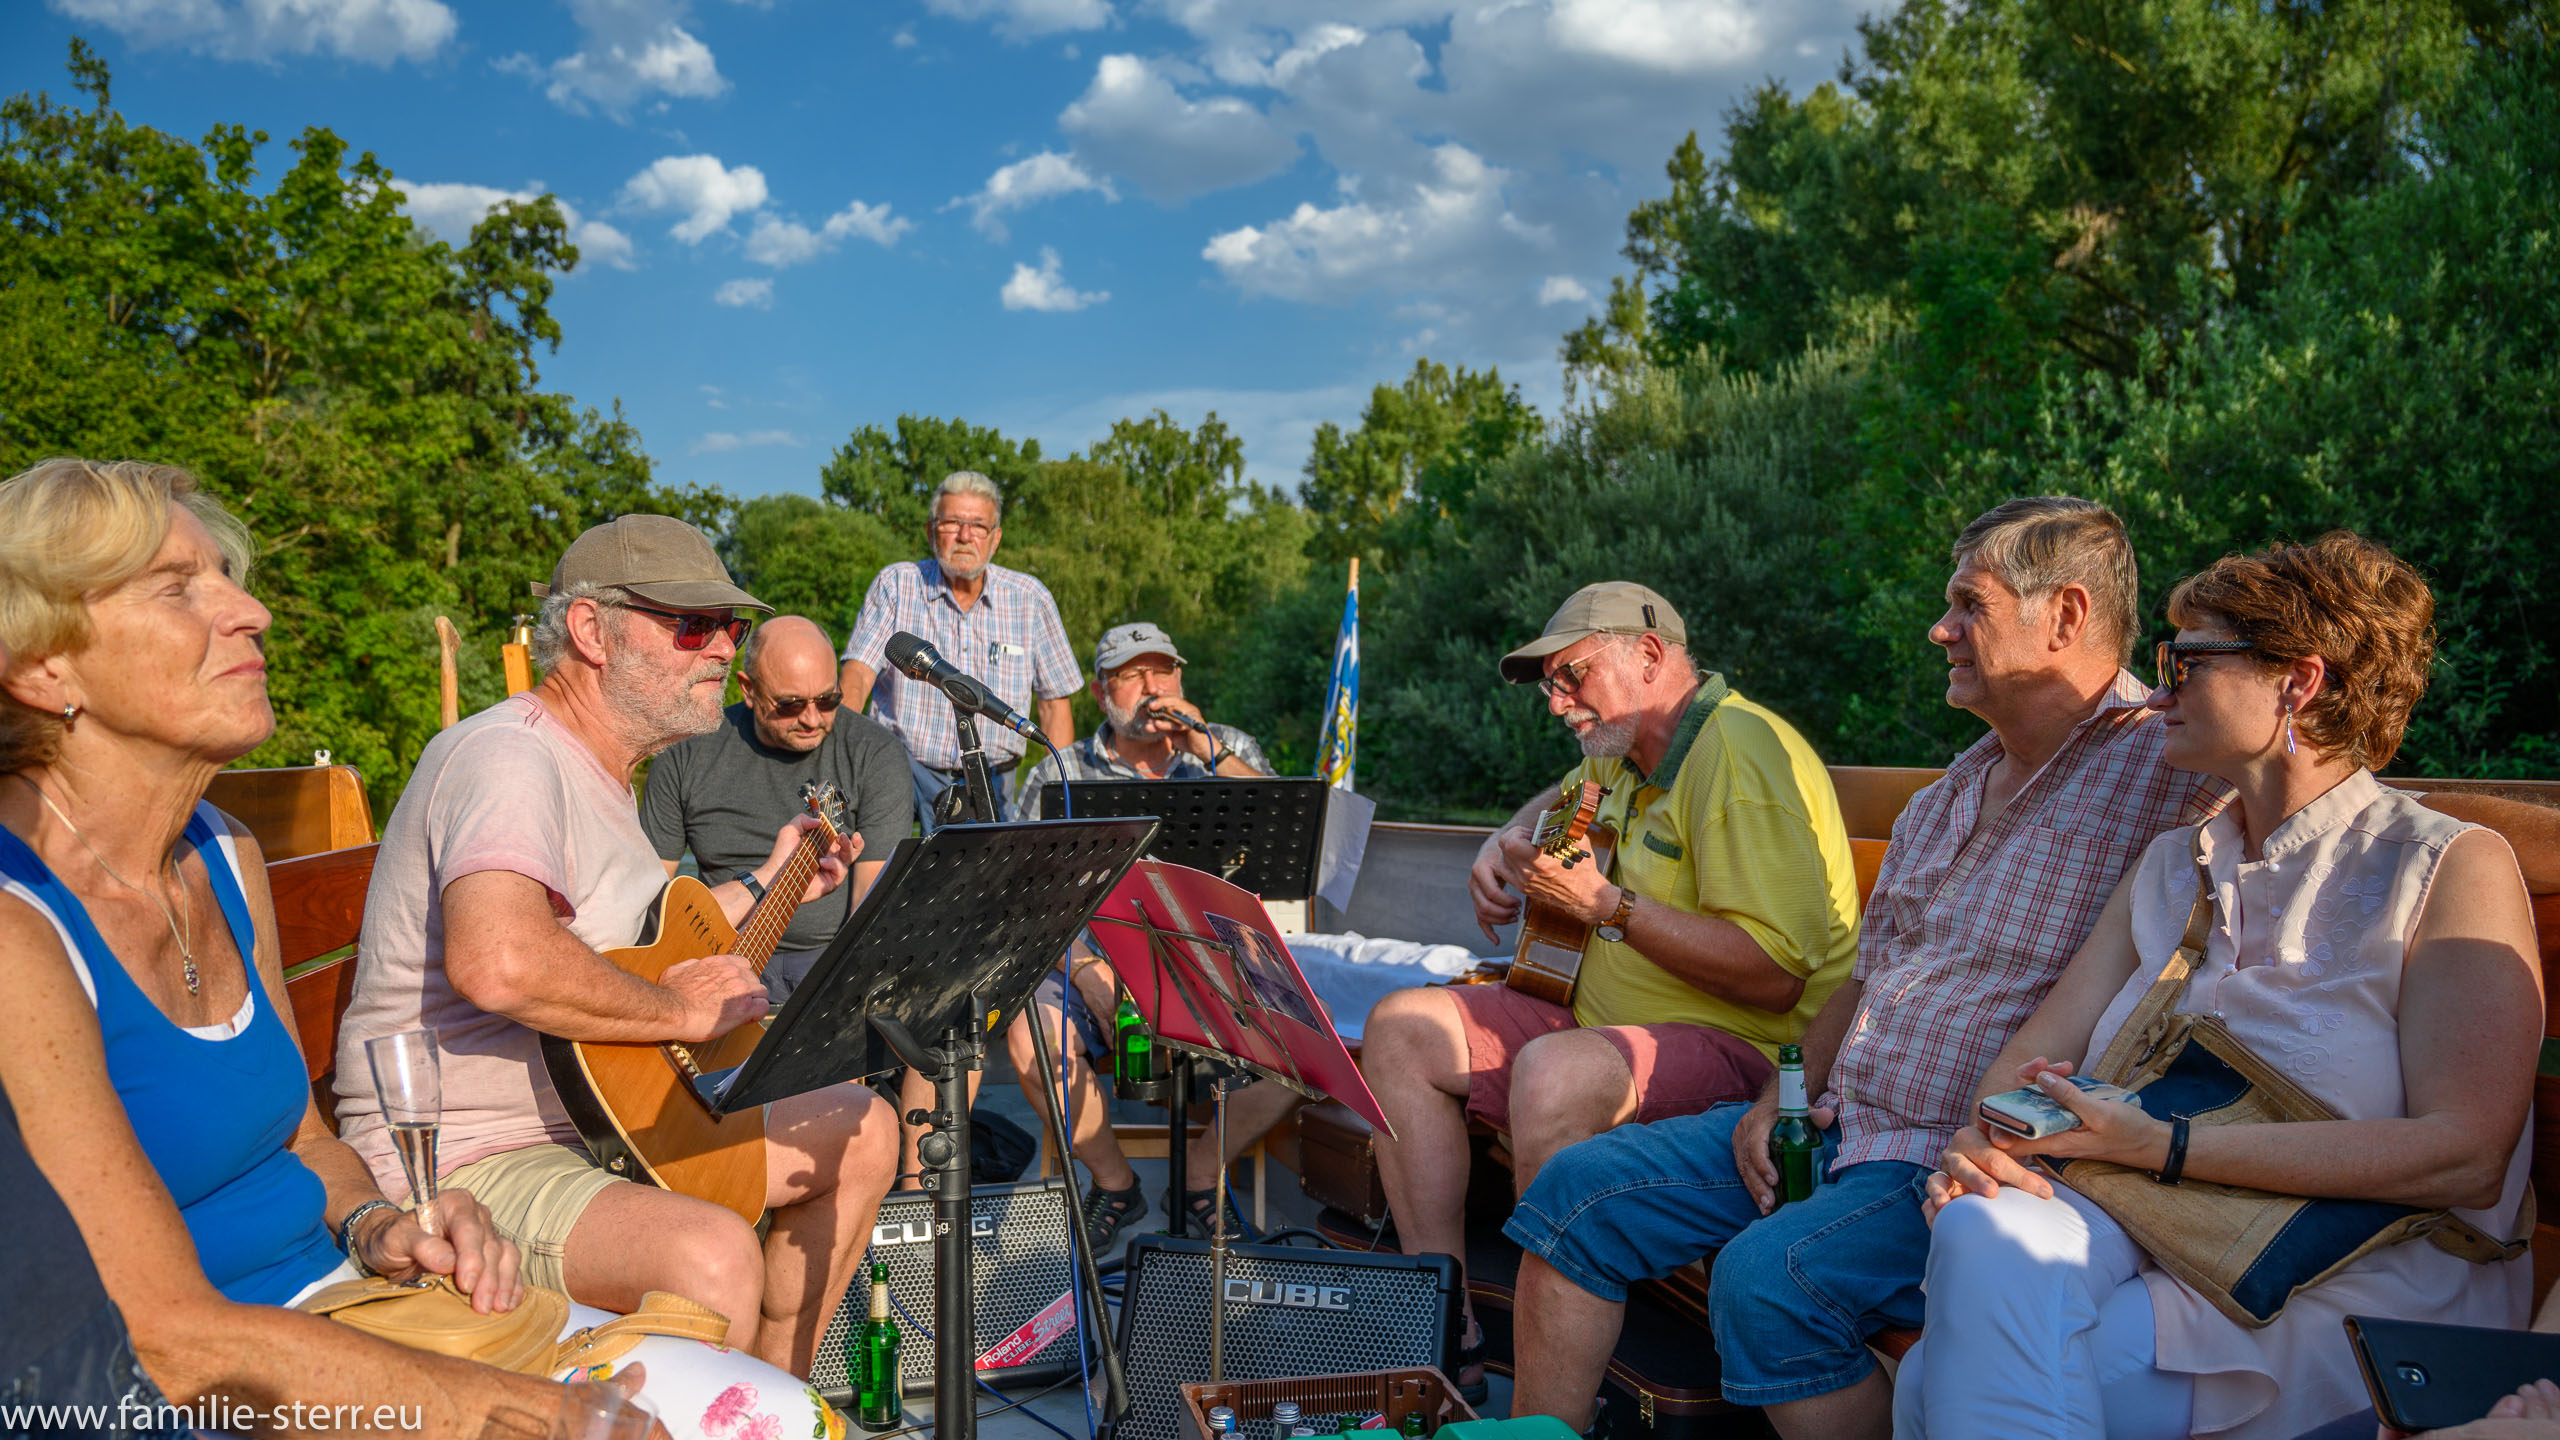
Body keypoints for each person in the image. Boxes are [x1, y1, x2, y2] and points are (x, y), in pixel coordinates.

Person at [1503, 500, 2560, 1440]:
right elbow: (1961, 1008)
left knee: (1834, 1307)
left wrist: (2112, 1144)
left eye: (2189, 660)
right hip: (2000, 1160)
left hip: (2259, 1234)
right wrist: (1828, 1096)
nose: (1937, 629)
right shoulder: (2141, 840)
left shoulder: (2167, 771)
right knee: (1585, 1195)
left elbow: (2355, 818)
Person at [0, 459, 675, 1437]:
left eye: (228, 576)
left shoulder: (222, 853)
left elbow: (307, 1138)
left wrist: (381, 1224)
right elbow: (162, 1342)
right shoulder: (20, 930)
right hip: (194, 1391)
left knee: (758, 1403)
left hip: (346, 1310)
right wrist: (526, 1411)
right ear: (40, 664)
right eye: (180, 587)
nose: (253, 611)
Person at [1898, 533, 2537, 1440]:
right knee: (1978, 1230)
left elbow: (2466, 1154)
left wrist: (2160, 1145)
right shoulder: (2174, 865)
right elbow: (2030, 1056)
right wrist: (1986, 1140)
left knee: (1930, 1382)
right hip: (2165, 1227)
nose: (2157, 692)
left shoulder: (2441, 868)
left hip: (2352, 1269)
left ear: (2297, 682)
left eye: (2185, 661)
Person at [333, 512, 900, 1378]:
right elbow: (503, 961)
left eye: (731, 628)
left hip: (596, 1121)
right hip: (468, 1156)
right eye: (691, 625)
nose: (721, 650)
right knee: (709, 1255)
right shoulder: (509, 758)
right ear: (592, 632)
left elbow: (645, 951)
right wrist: (680, 1008)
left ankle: (773, 1402)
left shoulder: (598, 775)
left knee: (862, 1125)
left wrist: (773, 879)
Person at [1363, 581, 1863, 1398]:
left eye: (1573, 677)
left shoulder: (1737, 754)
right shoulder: (1629, 756)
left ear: (1652, 656)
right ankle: (1442, 1315)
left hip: (1754, 1055)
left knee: (1555, 1073)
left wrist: (1607, 906)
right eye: (1550, 686)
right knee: (1399, 1027)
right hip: (1602, 1021)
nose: (1559, 704)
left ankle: (1562, 1373)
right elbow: (1560, 796)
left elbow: (1778, 979)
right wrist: (1507, 839)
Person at [1001, 621, 1296, 1245]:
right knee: (1032, 1040)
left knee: (1305, 1039)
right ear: (1104, 691)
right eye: (1134, 676)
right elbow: (1027, 901)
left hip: (1208, 953)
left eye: (1163, 671)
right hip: (1091, 957)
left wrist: (1205, 746)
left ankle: (1198, 1174)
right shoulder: (1061, 771)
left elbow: (1282, 821)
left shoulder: (1223, 747)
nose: (1152, 687)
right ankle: (1116, 1186)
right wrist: (1086, 970)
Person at [642, 614, 912, 1006]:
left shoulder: (875, 752)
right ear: (748, 689)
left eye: (828, 700)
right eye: (789, 704)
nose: (811, 718)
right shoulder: (685, 750)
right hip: (716, 950)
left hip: (827, 958)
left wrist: (844, 1002)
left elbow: (869, 906)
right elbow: (654, 903)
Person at [838, 471, 1080, 826]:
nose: (965, 536)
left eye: (978, 526)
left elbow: (1054, 706)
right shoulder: (897, 584)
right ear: (930, 531)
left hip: (996, 782)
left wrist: (1060, 804)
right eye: (952, 522)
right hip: (903, 773)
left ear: (995, 538)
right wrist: (837, 762)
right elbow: (857, 677)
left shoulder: (1031, 598)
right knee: (893, 876)